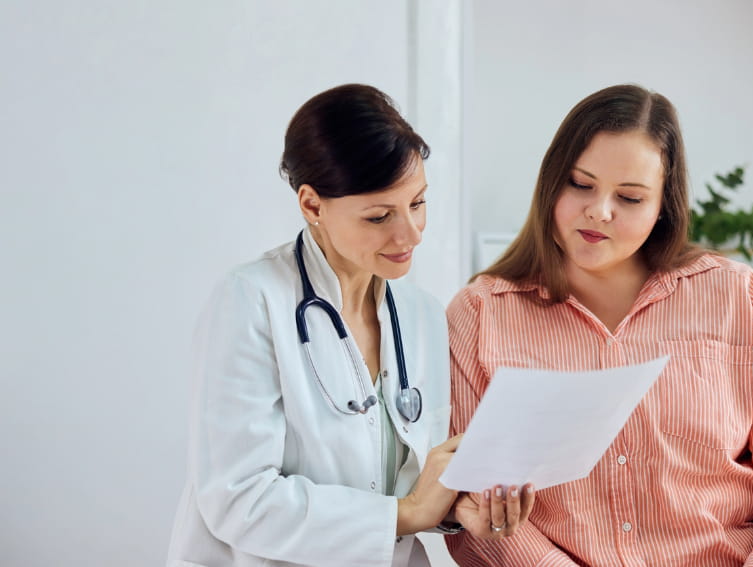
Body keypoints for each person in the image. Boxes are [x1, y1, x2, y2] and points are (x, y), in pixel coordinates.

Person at [445, 84, 753, 566]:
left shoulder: (739, 299)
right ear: (551, 181)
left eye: (631, 197)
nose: (600, 210)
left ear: (663, 207)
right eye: (581, 184)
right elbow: (467, 499)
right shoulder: (480, 315)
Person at [167, 84, 534, 567]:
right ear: (312, 205)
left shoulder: (421, 315)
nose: (410, 234)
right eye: (380, 216)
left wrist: (456, 510)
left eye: (418, 203)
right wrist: (404, 514)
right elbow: (239, 500)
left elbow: (409, 482)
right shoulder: (251, 302)